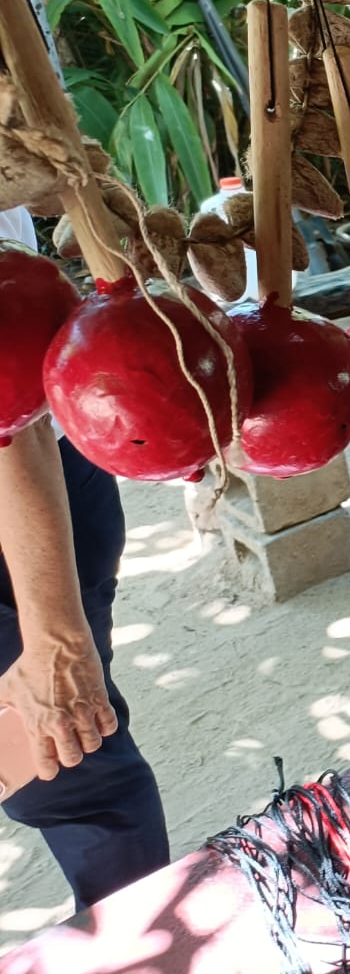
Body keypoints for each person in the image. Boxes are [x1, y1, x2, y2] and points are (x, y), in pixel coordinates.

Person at [0, 205, 169, 908]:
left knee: (62, 761)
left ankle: (143, 945)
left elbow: (6, 401)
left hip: (23, 488)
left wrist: (57, 640)